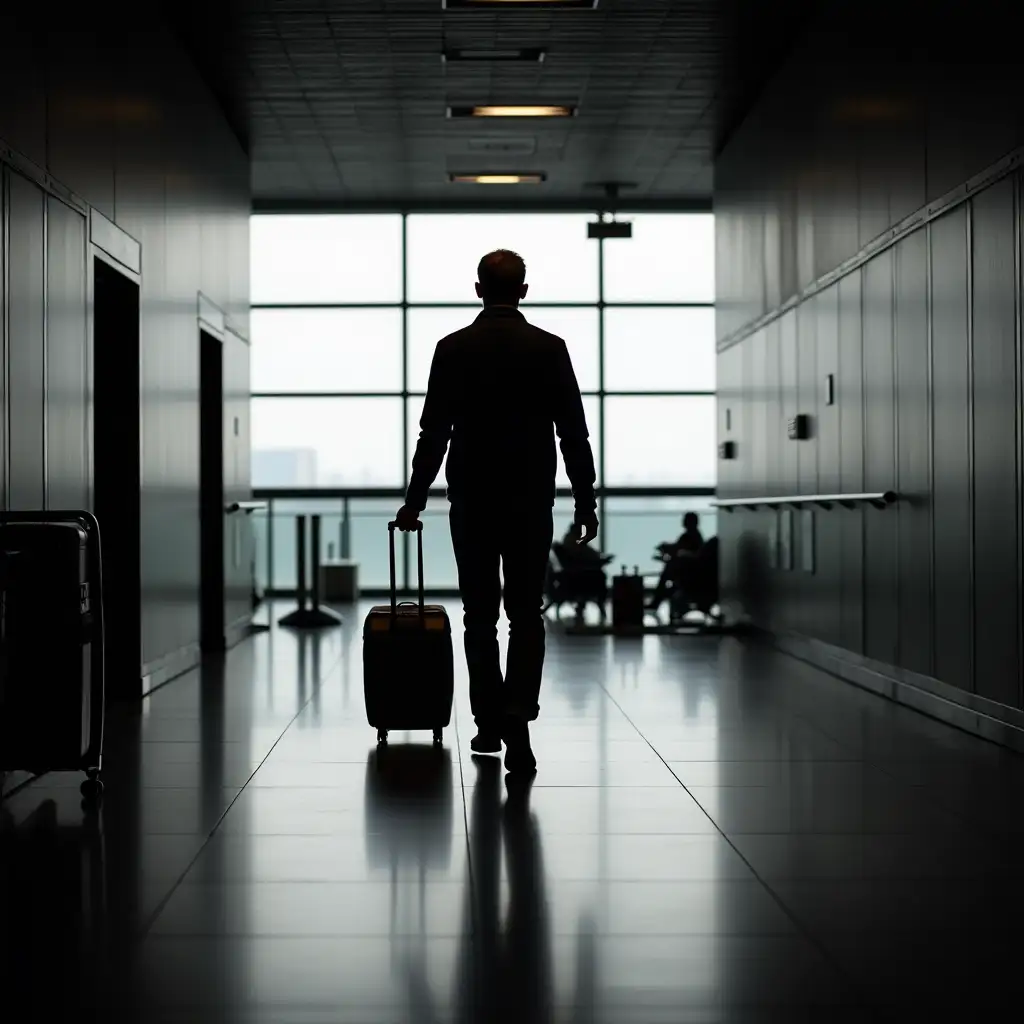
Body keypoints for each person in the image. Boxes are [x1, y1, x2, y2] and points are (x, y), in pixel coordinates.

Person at [394, 249, 599, 774]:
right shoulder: (550, 349)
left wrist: (415, 501)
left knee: (479, 616)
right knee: (527, 613)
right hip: (531, 500)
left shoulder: (452, 349)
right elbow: (572, 432)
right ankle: (519, 723)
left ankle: (487, 722)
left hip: (473, 501)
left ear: (478, 288)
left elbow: (433, 434)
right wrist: (584, 500)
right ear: (524, 290)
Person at [647, 511, 703, 611]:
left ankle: (657, 601)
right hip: (688, 569)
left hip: (688, 571)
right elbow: (679, 550)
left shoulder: (690, 536)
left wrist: (667, 551)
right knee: (668, 572)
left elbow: (679, 550)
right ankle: (657, 600)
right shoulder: (694, 536)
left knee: (666, 573)